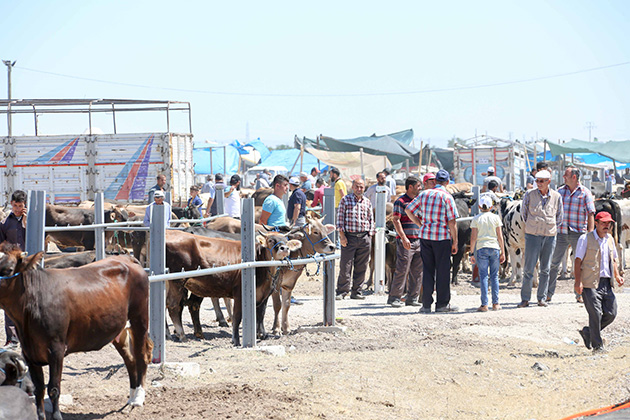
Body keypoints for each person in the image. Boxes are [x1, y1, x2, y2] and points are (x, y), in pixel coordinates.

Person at [405, 169, 459, 313]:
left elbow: (408, 210)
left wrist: (420, 224)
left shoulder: (424, 194)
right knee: (442, 271)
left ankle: (426, 305)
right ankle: (442, 304)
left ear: (435, 181)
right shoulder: (447, 197)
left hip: (425, 237)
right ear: (447, 182)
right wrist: (455, 242)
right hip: (441, 237)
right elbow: (452, 222)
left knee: (427, 271)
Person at [574, 211, 624, 352]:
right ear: (596, 223)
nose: (606, 226)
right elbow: (577, 262)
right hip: (590, 283)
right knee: (595, 314)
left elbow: (613, 260)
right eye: (603, 223)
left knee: (611, 313)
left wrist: (617, 275)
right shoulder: (585, 239)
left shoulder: (610, 239)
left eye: (608, 223)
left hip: (606, 283)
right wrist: (578, 282)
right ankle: (597, 346)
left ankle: (588, 332)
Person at [547, 167, 595, 304]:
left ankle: (580, 294)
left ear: (574, 177)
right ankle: (548, 293)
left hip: (578, 233)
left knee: (580, 264)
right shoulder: (560, 192)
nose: (563, 177)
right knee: (553, 263)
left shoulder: (585, 193)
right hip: (561, 232)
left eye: (566, 175)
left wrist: (590, 234)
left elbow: (591, 213)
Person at [517, 170, 563, 308]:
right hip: (532, 235)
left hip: (549, 236)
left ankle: (541, 298)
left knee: (546, 269)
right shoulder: (529, 195)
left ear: (549, 181)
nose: (539, 184)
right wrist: (533, 225)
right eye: (537, 181)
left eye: (542, 181)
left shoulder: (556, 196)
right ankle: (525, 298)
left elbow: (559, 217)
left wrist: (550, 227)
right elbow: (524, 214)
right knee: (529, 268)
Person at [335, 178, 374, 300]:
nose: (359, 189)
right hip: (349, 238)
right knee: (346, 265)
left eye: (361, 187)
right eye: (357, 186)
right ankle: (342, 291)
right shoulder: (345, 200)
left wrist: (370, 235)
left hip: (364, 238)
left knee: (362, 266)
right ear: (352, 187)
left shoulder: (367, 202)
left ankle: (356, 291)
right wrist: (342, 236)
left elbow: (371, 219)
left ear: (364, 188)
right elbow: (340, 220)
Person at [388, 176, 423, 308]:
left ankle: (412, 297)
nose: (420, 188)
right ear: (410, 187)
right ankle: (394, 297)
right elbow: (396, 220)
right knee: (402, 269)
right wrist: (403, 238)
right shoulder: (400, 202)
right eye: (418, 186)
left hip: (419, 240)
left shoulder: (418, 201)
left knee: (417, 271)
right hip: (406, 241)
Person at [0, 190, 27, 348]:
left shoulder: (32, 220)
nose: (17, 208)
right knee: (9, 300)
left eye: (20, 206)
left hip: (27, 264)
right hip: (11, 266)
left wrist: (25, 222)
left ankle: (28, 336)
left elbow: (38, 237)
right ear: (11, 204)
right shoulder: (5, 223)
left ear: (25, 205)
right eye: (15, 205)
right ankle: (12, 339)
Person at [469, 195, 506, 312]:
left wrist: (471, 253)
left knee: (484, 276)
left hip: (481, 248)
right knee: (495, 276)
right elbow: (500, 236)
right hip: (494, 248)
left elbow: (473, 237)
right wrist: (503, 252)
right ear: (491, 207)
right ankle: (496, 303)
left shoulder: (476, 219)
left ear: (479, 206)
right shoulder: (496, 218)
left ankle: (484, 304)